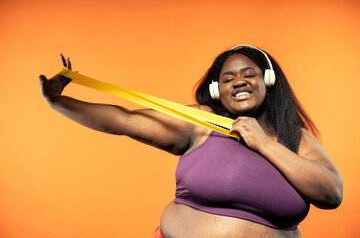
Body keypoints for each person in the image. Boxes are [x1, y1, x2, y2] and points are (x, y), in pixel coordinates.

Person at [39, 45, 343, 238]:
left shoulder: (296, 137)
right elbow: (124, 120)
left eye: (249, 74)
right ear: (216, 90)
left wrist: (264, 143)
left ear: (268, 81)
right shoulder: (201, 123)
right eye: (227, 79)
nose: (238, 81)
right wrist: (58, 102)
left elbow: (331, 194)